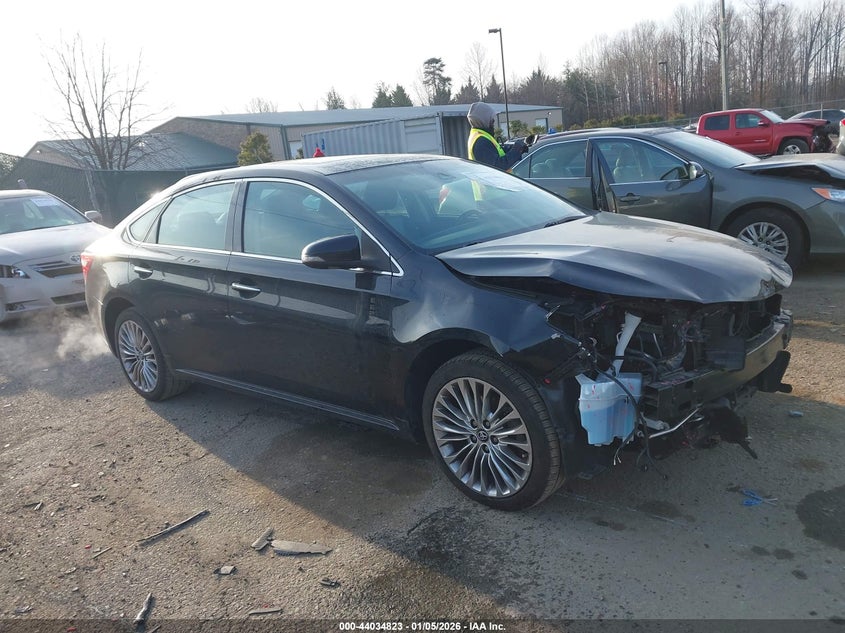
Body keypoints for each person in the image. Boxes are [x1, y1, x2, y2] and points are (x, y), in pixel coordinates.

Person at [466, 101, 526, 170]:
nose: (493, 121)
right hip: (492, 180)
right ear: (483, 119)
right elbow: (498, 165)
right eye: (491, 118)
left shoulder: (479, 135)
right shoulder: (481, 141)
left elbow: (495, 153)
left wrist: (512, 148)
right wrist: (515, 150)